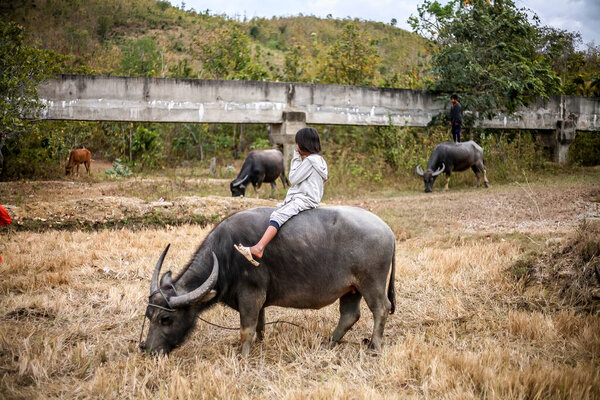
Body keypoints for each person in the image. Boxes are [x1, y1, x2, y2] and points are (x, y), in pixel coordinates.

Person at [234, 127, 328, 266]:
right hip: (311, 197)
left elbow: (294, 178)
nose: (296, 146)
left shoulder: (309, 162)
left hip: (305, 199)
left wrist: (296, 158)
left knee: (278, 216)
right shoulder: (320, 161)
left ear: (303, 144)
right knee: (279, 208)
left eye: (297, 143)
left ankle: (259, 248)